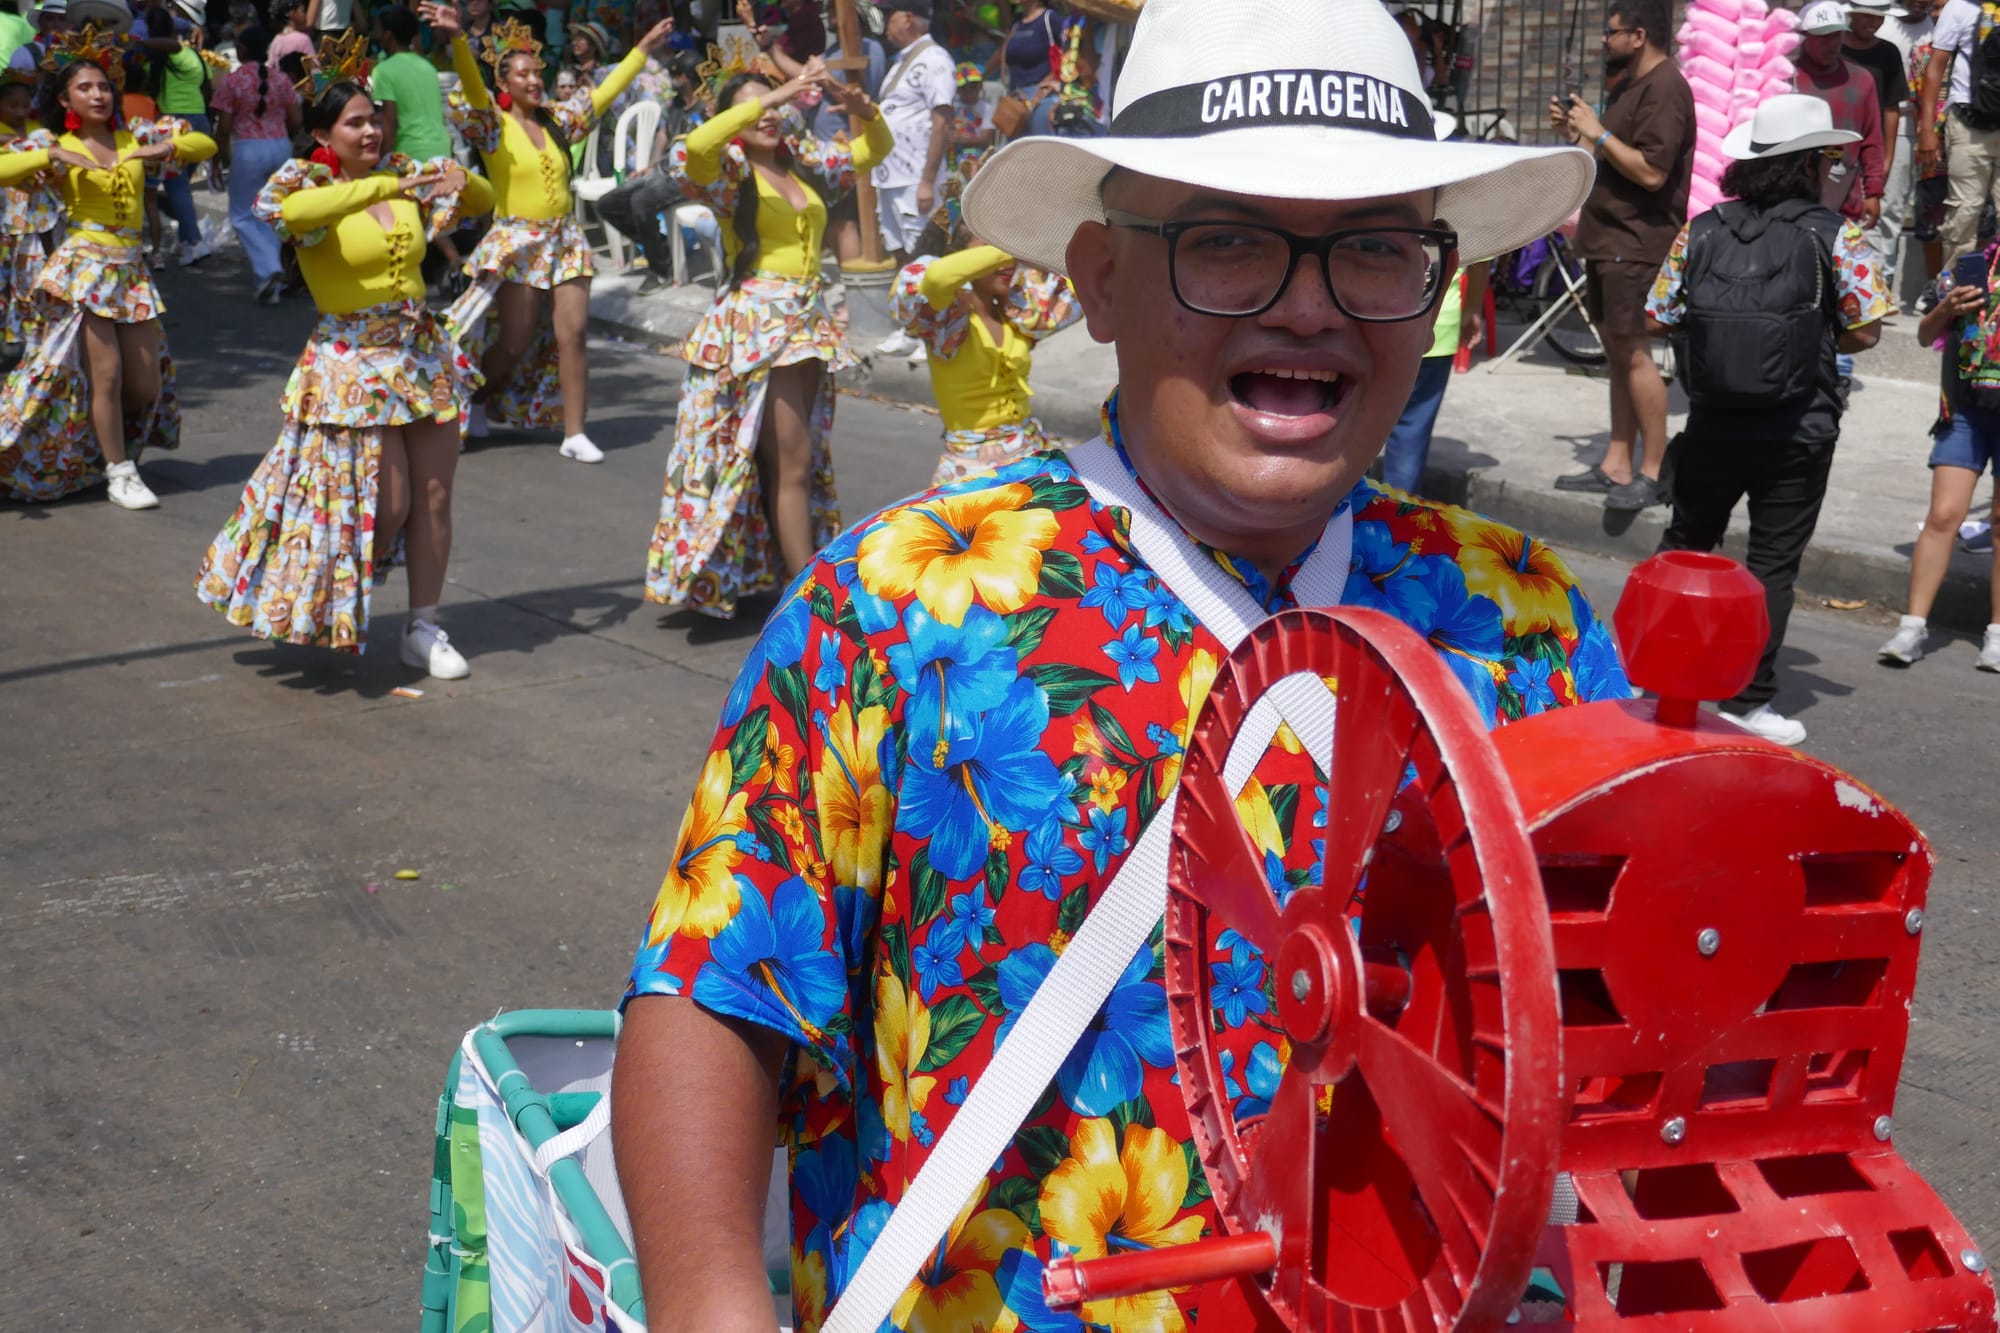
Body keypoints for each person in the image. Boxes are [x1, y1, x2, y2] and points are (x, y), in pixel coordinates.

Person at [611, 2, 1633, 1330]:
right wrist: (709, 1303)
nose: (1308, 307)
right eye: (1228, 242)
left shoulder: (1524, 618)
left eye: (1375, 250)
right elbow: (718, 988)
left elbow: (1631, 1015)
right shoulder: (900, 602)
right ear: (1100, 279)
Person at [198, 41, 494, 676]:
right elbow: (286, 214)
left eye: (374, 119)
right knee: (389, 504)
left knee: (435, 497)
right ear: (323, 133)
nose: (370, 131)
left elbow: (481, 197)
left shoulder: (406, 172)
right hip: (351, 361)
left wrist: (460, 179)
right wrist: (386, 184)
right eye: (355, 122)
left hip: (420, 353)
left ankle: (423, 627)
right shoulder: (307, 183)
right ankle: (311, 589)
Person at [1645, 95, 1888, 746]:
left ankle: (1661, 683)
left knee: (1686, 546)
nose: (1835, 168)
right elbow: (1866, 329)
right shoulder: (1836, 234)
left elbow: (1657, 316)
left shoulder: (1701, 230)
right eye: (1830, 158)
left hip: (1713, 422)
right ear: (1807, 165)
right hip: (1799, 426)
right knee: (1772, 565)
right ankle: (1748, 701)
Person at [643, 59, 891, 618]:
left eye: (778, 106)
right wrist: (777, 93)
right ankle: (809, 597)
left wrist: (866, 112)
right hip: (757, 329)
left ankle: (797, 582)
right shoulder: (727, 174)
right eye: (757, 107)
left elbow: (874, 149)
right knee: (792, 460)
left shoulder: (801, 164)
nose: (771, 115)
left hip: (806, 324)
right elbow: (694, 145)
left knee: (796, 462)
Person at [428, 1, 675, 461]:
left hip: (565, 239)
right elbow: (473, 90)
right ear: (503, 84)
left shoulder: (559, 120)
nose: (533, 80)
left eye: (536, 72)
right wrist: (459, 38)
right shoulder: (493, 126)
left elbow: (602, 95)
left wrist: (641, 48)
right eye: (521, 74)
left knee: (573, 335)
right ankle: (478, 398)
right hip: (517, 241)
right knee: (514, 341)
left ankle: (575, 434)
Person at [0, 26, 215, 507]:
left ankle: (92, 444)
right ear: (64, 99)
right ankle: (120, 472)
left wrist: (166, 148)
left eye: (103, 86)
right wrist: (50, 154)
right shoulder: (54, 142)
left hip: (130, 269)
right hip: (85, 267)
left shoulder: (134, 135)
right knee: (108, 374)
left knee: (145, 384)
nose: (98, 95)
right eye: (85, 88)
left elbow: (206, 144)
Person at [1548, 0, 1694, 513]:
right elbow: (1613, 157)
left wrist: (1600, 132)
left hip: (1637, 242)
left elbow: (1652, 172)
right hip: (1609, 239)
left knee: (1634, 354)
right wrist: (1577, 133)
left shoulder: (1666, 88)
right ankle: (1616, 462)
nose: (1604, 41)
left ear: (1638, 34)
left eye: (1611, 32)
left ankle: (1651, 470)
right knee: (1617, 354)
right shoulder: (1631, 85)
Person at [1876, 240, 2000, 669]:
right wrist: (1948, 307)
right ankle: (1911, 629)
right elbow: (1925, 334)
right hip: (1965, 412)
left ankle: (1997, 635)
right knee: (1943, 516)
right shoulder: (1976, 263)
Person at [888, 219, 1078, 485]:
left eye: (1008, 251)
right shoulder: (944, 322)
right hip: (971, 468)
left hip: (1032, 453)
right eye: (989, 250)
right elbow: (937, 277)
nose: (1007, 263)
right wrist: (1011, 250)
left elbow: (1079, 288)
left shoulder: (1016, 314)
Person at [592, 45, 705, 291]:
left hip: (692, 176)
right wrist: (650, 166)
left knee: (641, 201)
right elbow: (664, 134)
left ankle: (660, 270)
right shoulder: (676, 105)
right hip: (665, 172)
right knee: (607, 204)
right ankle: (661, 247)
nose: (673, 80)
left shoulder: (707, 108)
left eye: (677, 75)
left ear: (688, 77)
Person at [209, 23, 299, 304]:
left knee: (242, 215)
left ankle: (269, 267)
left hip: (248, 148)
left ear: (241, 50)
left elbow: (224, 127)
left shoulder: (232, 81)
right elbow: (296, 119)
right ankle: (269, 287)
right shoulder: (281, 79)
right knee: (271, 213)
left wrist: (218, 159)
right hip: (281, 146)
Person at [371, 5, 460, 276]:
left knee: (412, 215)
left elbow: (390, 120)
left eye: (378, 30)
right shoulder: (427, 66)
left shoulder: (384, 70)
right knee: (429, 213)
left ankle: (452, 265)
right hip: (440, 145)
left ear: (388, 35)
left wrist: (380, 158)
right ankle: (450, 265)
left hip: (409, 150)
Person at [1917, 0, 2000, 267]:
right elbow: (1935, 67)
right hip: (1968, 122)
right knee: (1963, 213)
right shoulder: (1959, 7)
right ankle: (1954, 287)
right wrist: (1927, 129)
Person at [871, 0, 950, 264]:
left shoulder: (935, 59)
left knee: (923, 255)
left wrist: (927, 182)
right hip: (889, 177)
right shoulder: (899, 60)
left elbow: (942, 122)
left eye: (889, 15)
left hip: (915, 178)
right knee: (899, 251)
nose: (885, 23)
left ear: (907, 18)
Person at [1848, 0, 1916, 297]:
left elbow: (1891, 108)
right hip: (1839, 148)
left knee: (1885, 215)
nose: (1873, 22)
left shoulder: (1887, 53)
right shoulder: (1833, 48)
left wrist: (1887, 158)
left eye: (1879, 17)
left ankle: (1879, 290)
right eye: (1866, 15)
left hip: (1878, 145)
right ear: (1851, 11)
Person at [138, 0, 214, 265]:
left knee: (176, 187)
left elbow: (169, 47)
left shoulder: (167, 57)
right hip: (200, 122)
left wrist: (137, 44)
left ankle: (193, 242)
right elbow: (208, 87)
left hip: (176, 127)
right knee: (180, 187)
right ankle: (185, 240)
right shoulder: (192, 56)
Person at [0, 65, 58, 354]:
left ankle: (29, 337)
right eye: (13, 105)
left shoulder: (38, 131)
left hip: (37, 216)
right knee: (5, 276)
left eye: (24, 105)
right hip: (6, 216)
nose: (20, 111)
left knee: (32, 276)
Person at [7, 0, 70, 73]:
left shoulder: (74, 52)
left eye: (62, 19)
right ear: (40, 22)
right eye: (50, 18)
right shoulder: (23, 53)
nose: (56, 24)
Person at [266, 0, 311, 66]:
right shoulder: (303, 39)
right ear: (292, 13)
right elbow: (315, 69)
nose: (304, 15)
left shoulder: (276, 40)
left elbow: (270, 67)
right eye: (302, 11)